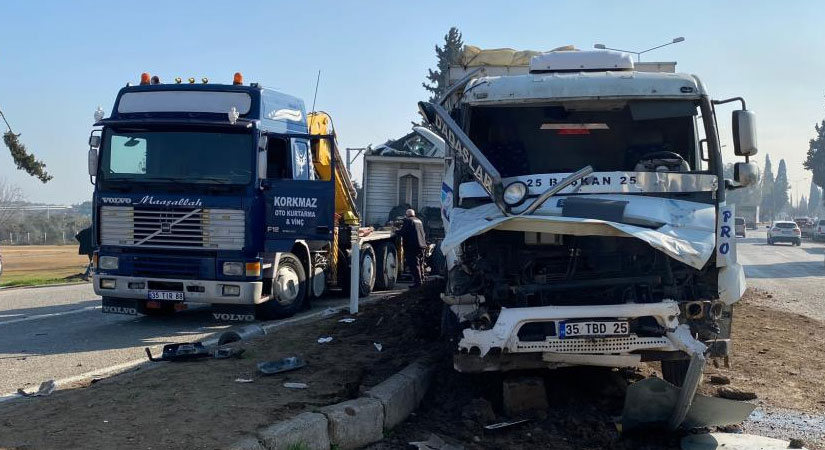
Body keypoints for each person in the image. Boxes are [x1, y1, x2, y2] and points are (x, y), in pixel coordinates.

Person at [400, 208, 427, 287]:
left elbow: (403, 232)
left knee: (414, 265)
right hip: (422, 245)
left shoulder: (408, 221)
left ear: (407, 215)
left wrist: (396, 231)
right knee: (420, 263)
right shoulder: (419, 221)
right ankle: (422, 280)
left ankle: (418, 283)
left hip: (413, 246)